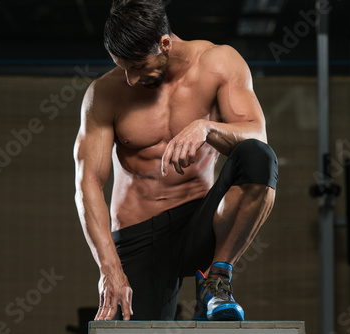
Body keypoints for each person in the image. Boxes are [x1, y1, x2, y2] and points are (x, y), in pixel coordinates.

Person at [74, 0, 278, 322]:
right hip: (138, 233)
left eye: (138, 67)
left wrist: (207, 127)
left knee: (258, 156)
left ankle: (216, 281)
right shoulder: (104, 93)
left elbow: (257, 135)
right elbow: (87, 184)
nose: (130, 79)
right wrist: (109, 268)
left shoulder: (218, 63)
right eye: (123, 67)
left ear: (165, 43)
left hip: (200, 223)